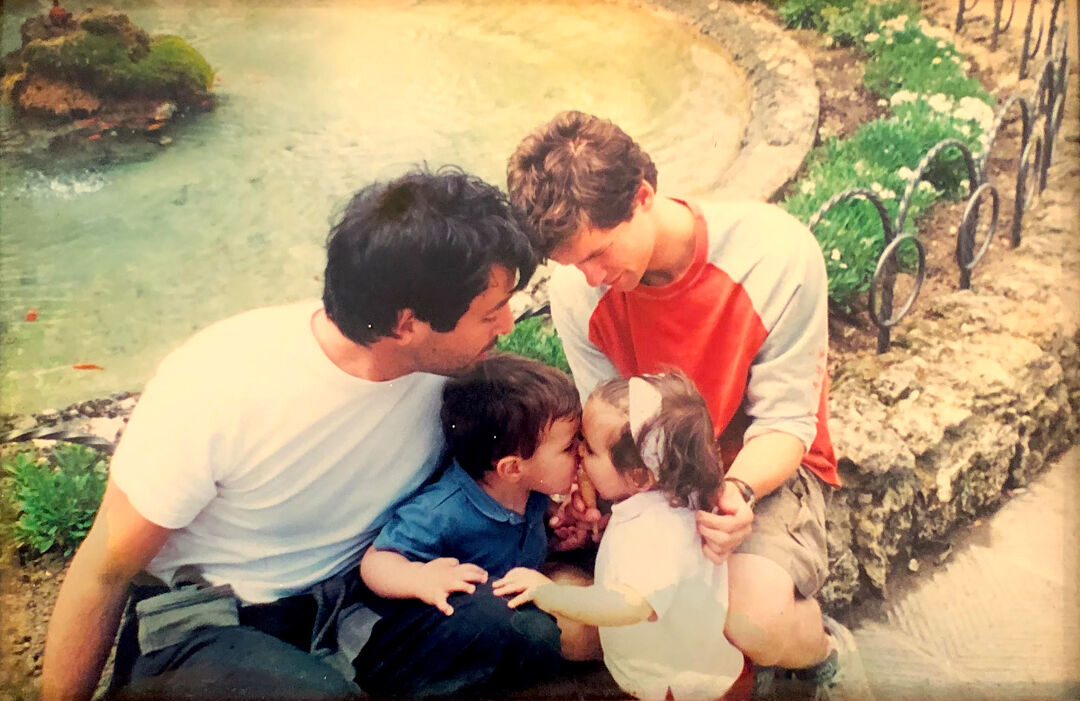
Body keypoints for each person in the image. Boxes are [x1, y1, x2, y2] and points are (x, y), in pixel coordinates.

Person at [40, 166, 555, 701]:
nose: (508, 326)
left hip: (355, 605)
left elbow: (523, 441)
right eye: (491, 313)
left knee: (518, 628)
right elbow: (104, 570)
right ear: (405, 325)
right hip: (215, 625)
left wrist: (573, 484)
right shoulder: (219, 385)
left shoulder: (451, 373)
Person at [506, 111, 845, 697]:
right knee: (572, 630)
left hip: (757, 469)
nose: (591, 278)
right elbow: (605, 415)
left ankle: (821, 654)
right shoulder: (577, 289)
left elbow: (787, 423)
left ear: (642, 197)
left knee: (751, 620)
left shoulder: (775, 254)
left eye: (599, 254)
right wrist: (588, 489)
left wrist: (734, 493)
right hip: (650, 476)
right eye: (574, 265)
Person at [494, 372, 751, 700]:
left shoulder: (656, 532)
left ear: (640, 476)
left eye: (589, 447)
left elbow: (628, 604)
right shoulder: (671, 497)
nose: (580, 452)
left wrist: (550, 594)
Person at [357, 353, 597, 690]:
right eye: (570, 446)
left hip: (499, 616)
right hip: (438, 636)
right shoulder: (444, 510)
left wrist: (555, 533)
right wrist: (419, 577)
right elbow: (376, 560)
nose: (581, 452)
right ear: (513, 468)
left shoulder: (532, 494)